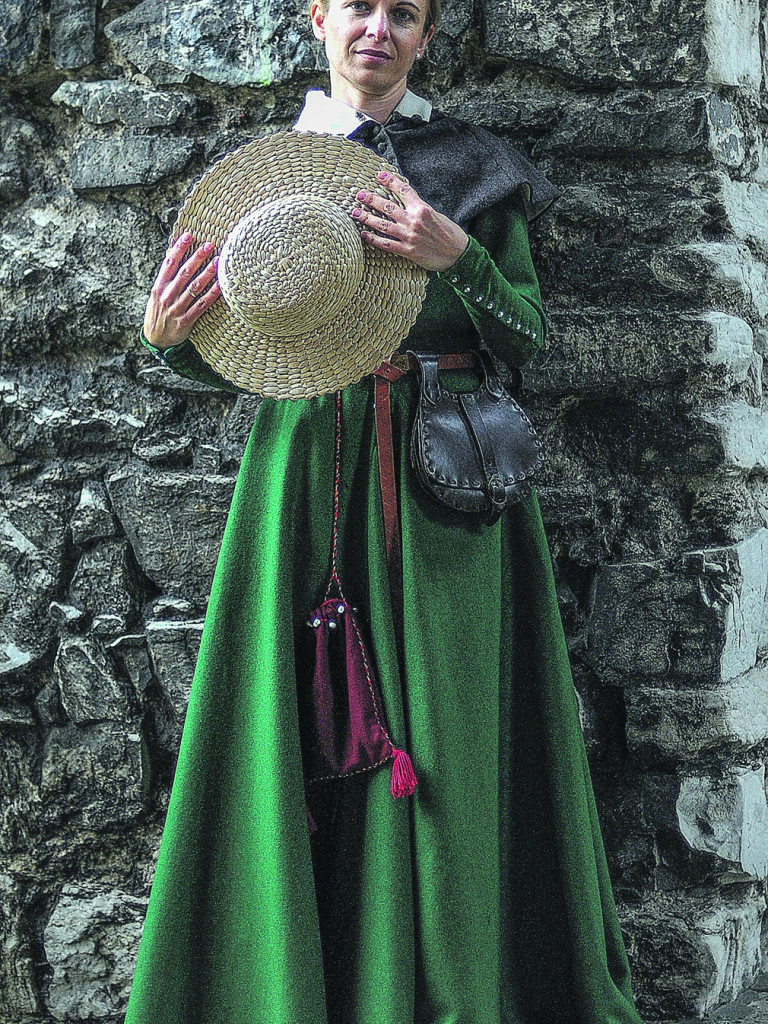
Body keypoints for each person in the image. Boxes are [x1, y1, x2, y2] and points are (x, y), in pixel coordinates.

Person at [126, 0, 646, 1022]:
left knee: (448, 742)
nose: (379, 28)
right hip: (304, 483)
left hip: (443, 483)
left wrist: (456, 254)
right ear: (318, 18)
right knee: (300, 729)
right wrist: (164, 337)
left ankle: (460, 987)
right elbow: (217, 355)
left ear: (427, 35)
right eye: (358, 6)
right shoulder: (262, 184)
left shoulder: (475, 170)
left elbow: (528, 337)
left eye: (403, 13)